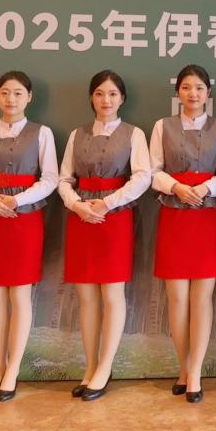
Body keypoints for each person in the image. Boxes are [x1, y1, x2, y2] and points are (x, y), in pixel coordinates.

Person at [58, 70, 151, 401]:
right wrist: (76, 205)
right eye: (99, 93)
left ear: (122, 98)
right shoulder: (77, 134)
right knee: (86, 296)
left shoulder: (134, 134)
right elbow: (64, 179)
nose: (106, 100)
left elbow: (142, 177)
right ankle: (90, 366)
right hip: (82, 217)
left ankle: (105, 366)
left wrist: (108, 203)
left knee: (112, 293)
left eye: (112, 94)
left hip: (115, 218)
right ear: (91, 98)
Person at [0, 71, 58, 401]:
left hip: (24, 219)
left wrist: (17, 200)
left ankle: (13, 369)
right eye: (5, 92)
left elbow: (50, 179)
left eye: (18, 93)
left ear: (29, 97)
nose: (11, 99)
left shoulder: (42, 133)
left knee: (19, 296)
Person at [150, 65, 216, 404]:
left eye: (199, 88)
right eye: (186, 87)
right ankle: (183, 367)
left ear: (208, 93)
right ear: (178, 92)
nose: (193, 93)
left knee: (202, 298)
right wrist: (176, 187)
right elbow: (153, 170)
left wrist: (204, 188)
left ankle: (195, 371)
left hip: (207, 214)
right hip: (173, 214)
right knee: (177, 298)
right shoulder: (162, 126)